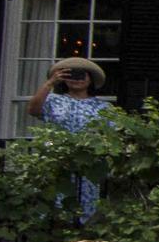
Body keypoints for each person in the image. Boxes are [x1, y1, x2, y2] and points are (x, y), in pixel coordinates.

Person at [25, 56, 114, 222]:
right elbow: (33, 110)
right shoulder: (53, 100)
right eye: (71, 75)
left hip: (88, 163)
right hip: (57, 160)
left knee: (86, 208)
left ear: (90, 79)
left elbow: (111, 134)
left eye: (82, 75)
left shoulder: (103, 107)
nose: (77, 79)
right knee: (56, 204)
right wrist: (50, 83)